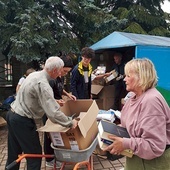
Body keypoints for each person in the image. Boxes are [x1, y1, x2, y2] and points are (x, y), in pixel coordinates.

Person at [5, 56, 78, 170]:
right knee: (35, 155)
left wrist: (54, 101)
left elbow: (34, 96)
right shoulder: (43, 84)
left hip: (12, 115)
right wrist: (70, 122)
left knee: (14, 152)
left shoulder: (34, 75)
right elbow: (53, 114)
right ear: (54, 70)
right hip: (22, 120)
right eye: (60, 71)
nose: (60, 74)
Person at [104, 58, 170, 170]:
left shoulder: (151, 101)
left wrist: (125, 143)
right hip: (137, 159)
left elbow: (154, 146)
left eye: (128, 76)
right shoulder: (133, 97)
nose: (124, 79)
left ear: (141, 77)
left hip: (152, 163)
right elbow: (133, 125)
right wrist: (117, 131)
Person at [43, 55, 76, 168]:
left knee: (57, 133)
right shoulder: (50, 79)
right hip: (49, 109)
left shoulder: (60, 77)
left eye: (67, 72)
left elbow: (60, 89)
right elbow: (45, 98)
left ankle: (57, 156)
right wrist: (56, 101)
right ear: (59, 67)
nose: (65, 74)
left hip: (58, 107)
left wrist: (68, 95)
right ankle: (49, 159)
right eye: (65, 71)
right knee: (49, 134)